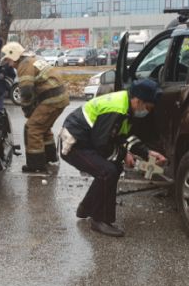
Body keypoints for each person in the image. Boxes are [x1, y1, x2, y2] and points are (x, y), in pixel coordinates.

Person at [59, 79, 167, 237]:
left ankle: (86, 207)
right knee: (107, 171)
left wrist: (147, 153)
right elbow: (102, 145)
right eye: (148, 107)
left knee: (113, 168)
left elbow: (125, 136)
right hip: (74, 144)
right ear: (138, 101)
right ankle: (99, 220)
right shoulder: (116, 109)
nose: (148, 111)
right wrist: (124, 155)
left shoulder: (127, 107)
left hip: (87, 141)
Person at [0, 41, 69, 173]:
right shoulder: (32, 60)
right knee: (44, 127)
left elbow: (26, 92)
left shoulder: (24, 65)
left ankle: (36, 165)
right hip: (59, 98)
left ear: (14, 56)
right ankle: (50, 157)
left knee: (33, 128)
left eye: (9, 60)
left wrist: (27, 110)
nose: (9, 64)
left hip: (52, 99)